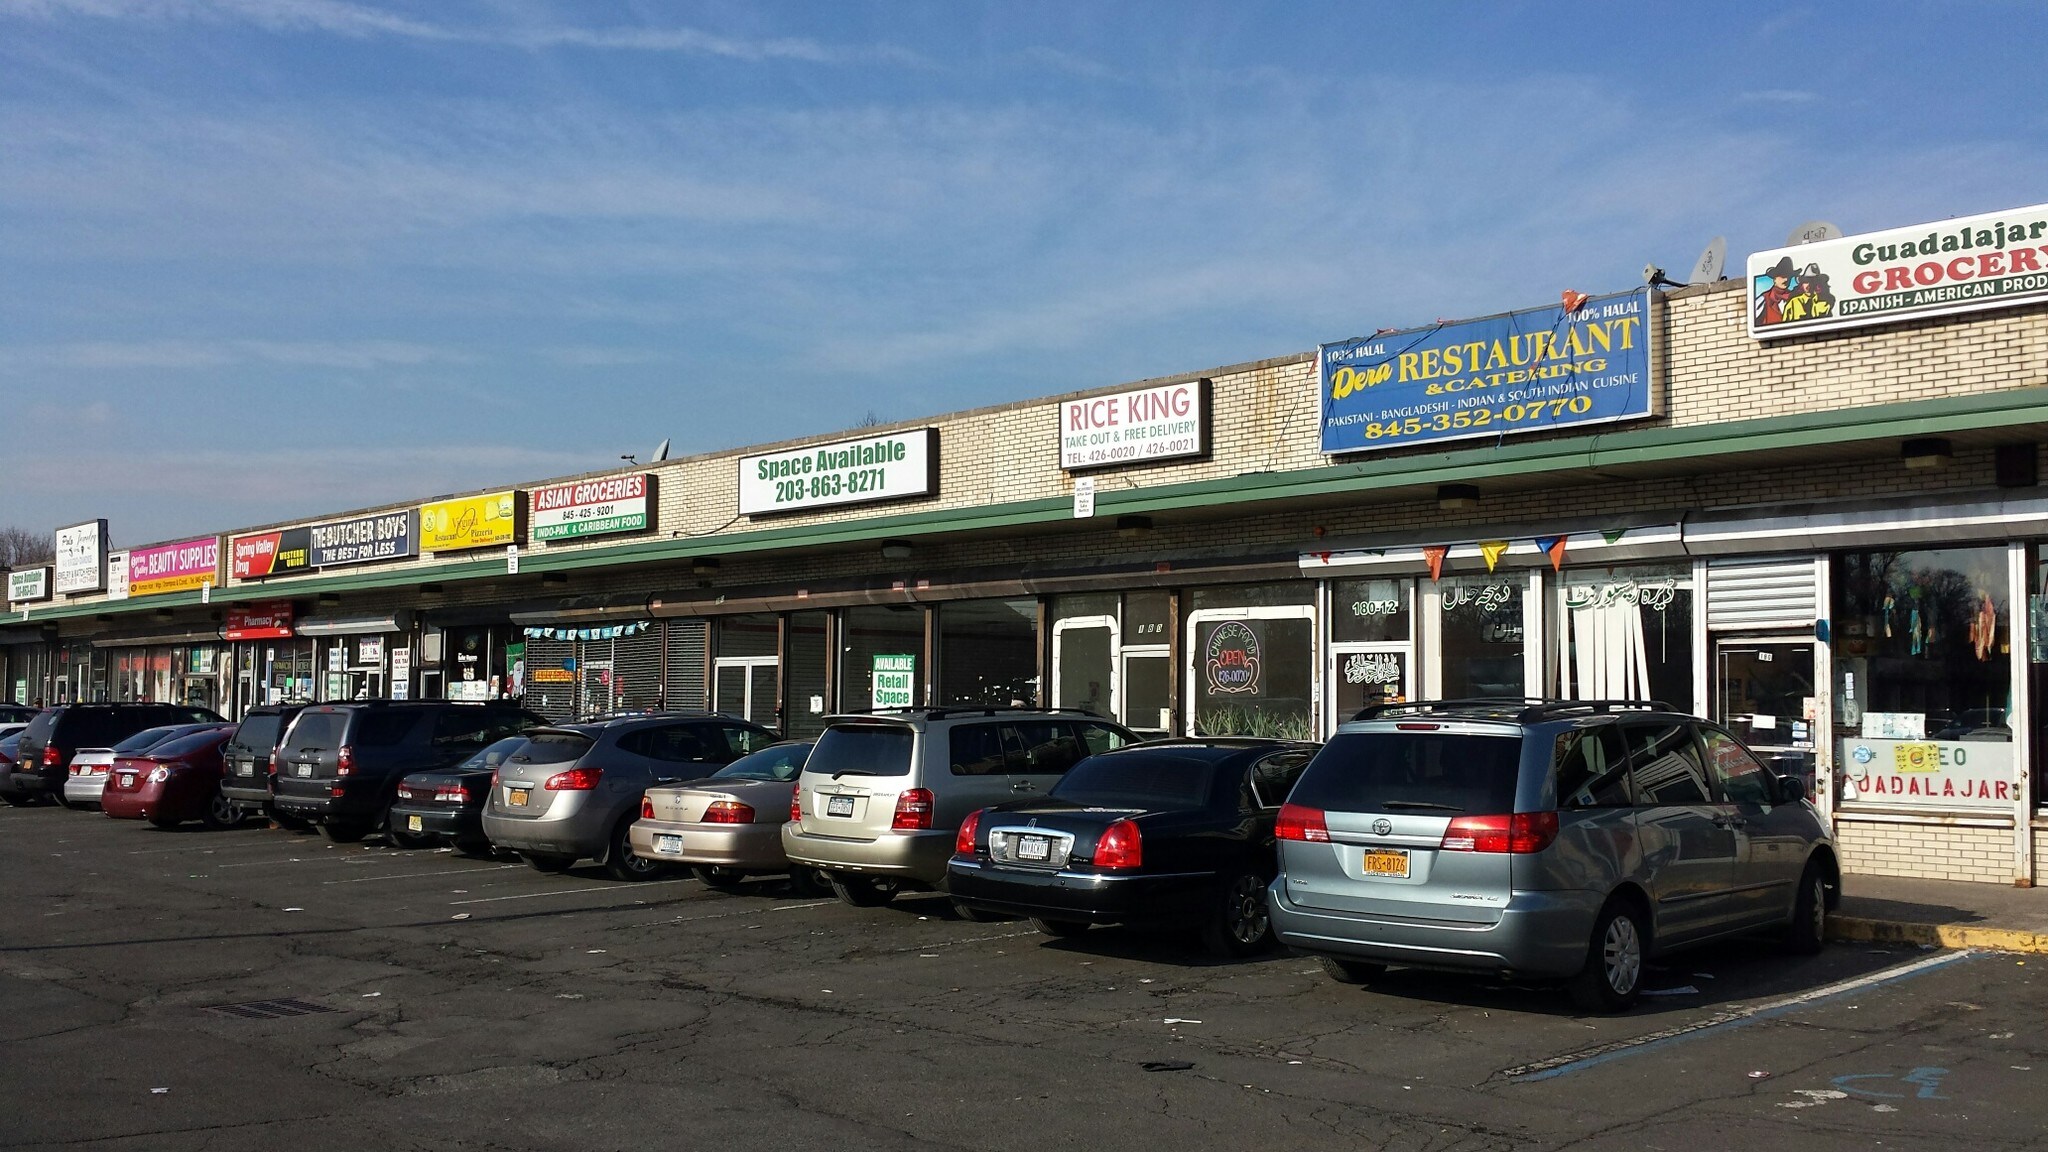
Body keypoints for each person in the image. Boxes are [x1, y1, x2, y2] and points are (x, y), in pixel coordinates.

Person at [1753, 256, 1796, 326]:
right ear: (1774, 279)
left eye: (1789, 276)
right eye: (1783, 276)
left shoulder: (1795, 297)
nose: (1786, 279)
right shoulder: (1763, 299)